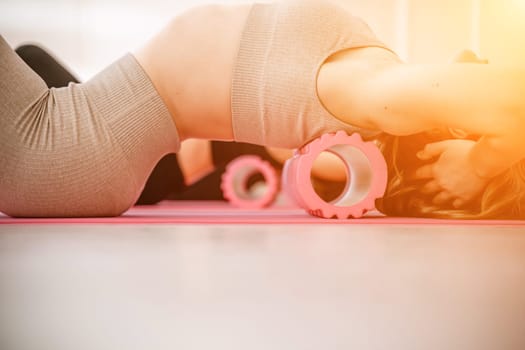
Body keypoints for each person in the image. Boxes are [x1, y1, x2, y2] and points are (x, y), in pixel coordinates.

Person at [1, 0, 524, 219]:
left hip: (69, 146)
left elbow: (514, 101)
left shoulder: (380, 99)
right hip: (90, 130)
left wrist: (474, 169)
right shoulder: (374, 85)